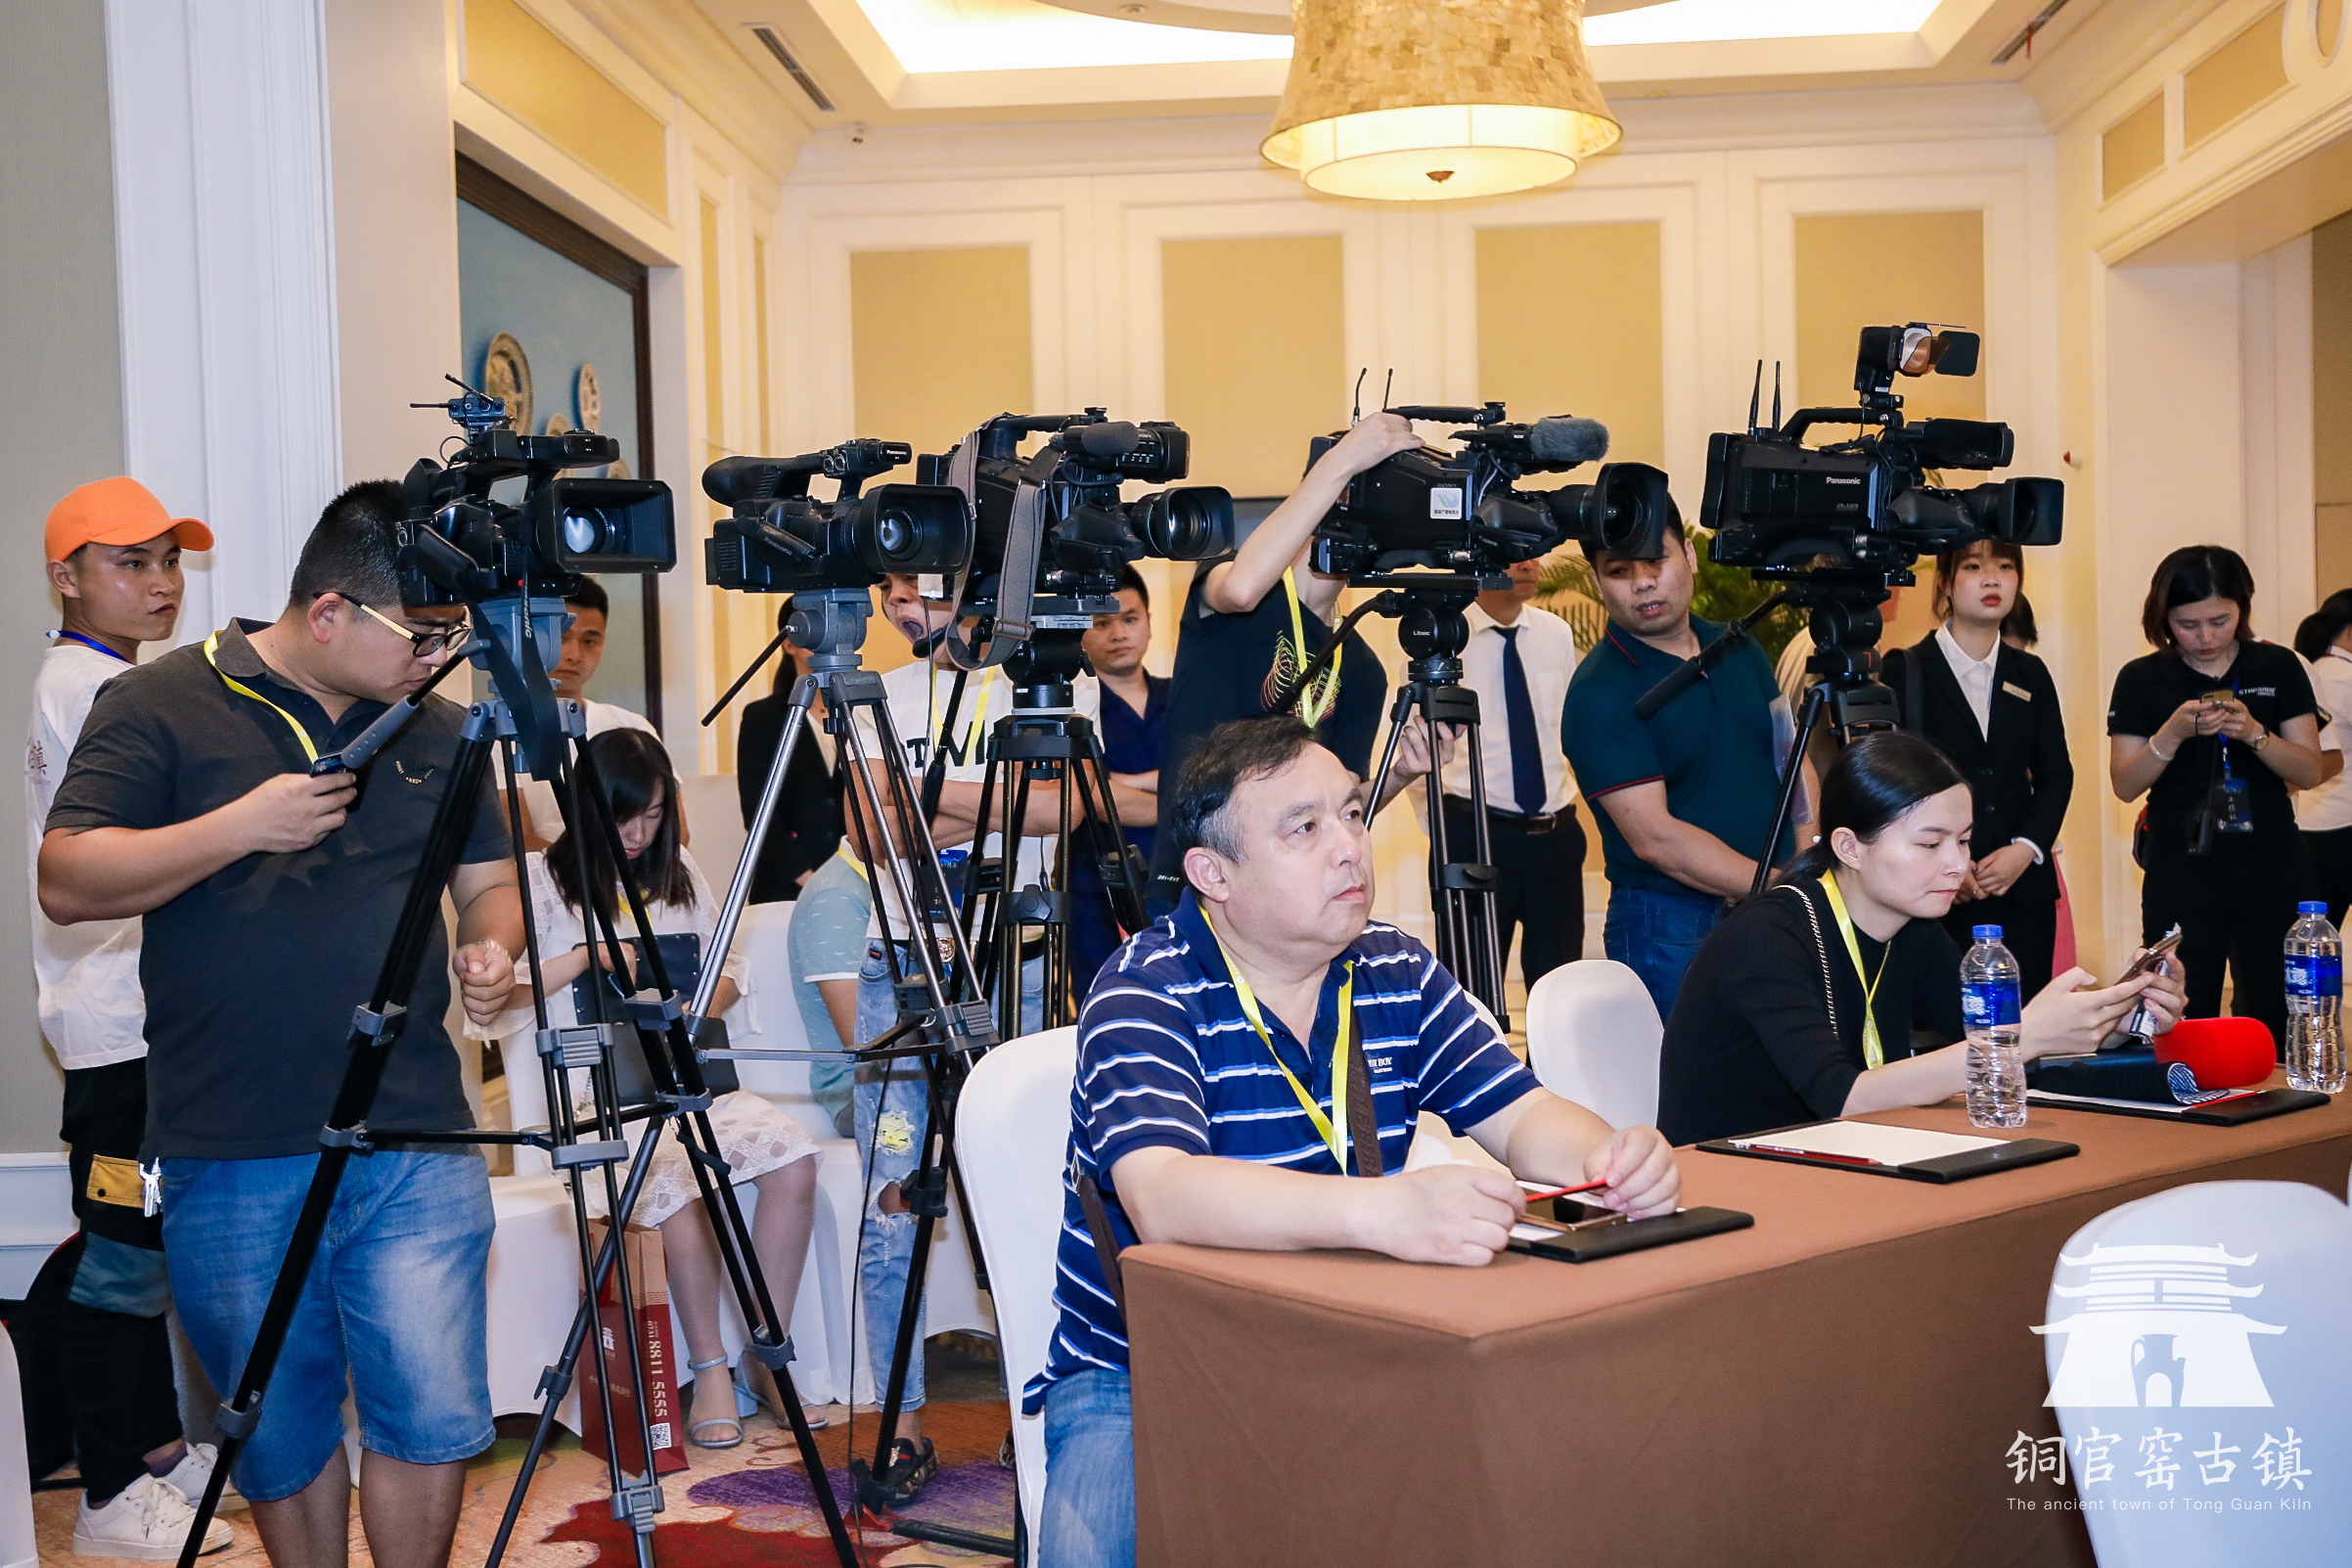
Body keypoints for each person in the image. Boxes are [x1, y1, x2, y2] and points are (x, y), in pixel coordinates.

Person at [1032, 714, 1682, 1567]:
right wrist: (1384, 1211)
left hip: (1358, 1340)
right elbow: (1164, 1195)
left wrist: (1608, 1158)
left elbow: (1523, 1114)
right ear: (1212, 874)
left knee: (1550, 1484)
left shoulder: (1392, 967)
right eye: (1303, 829)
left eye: (1348, 812)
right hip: (1142, 1369)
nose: (1349, 846)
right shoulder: (1145, 988)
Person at [40, 480, 524, 1568]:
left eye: (448, 637)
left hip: (417, 1133)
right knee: (277, 1424)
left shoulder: (443, 730)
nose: (436, 659)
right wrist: (239, 825)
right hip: (232, 1139)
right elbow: (66, 878)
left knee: (429, 1410)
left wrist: (492, 948)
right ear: (330, 613)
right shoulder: (158, 701)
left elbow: (491, 881)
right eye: (420, 635)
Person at [473, 728, 821, 1447]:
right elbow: (502, 1002)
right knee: (679, 1182)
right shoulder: (540, 881)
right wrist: (589, 957)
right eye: (624, 816)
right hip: (596, 1095)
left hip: (687, 1078)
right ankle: (710, 1369)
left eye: (654, 815)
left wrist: (699, 1005)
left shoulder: (678, 868)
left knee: (794, 1161)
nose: (638, 834)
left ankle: (767, 1354)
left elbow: (729, 967)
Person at [27, 478, 236, 1558]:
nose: (159, 584)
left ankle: (156, 1452)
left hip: (137, 1022)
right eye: (129, 562)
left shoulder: (100, 679)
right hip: (118, 1026)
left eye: (168, 561)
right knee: (119, 1260)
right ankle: (108, 1496)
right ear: (64, 577)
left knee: (139, 1247)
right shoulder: (97, 688)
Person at [1657, 734, 2186, 1147]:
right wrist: (2024, 1036)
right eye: (1931, 844)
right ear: (1849, 847)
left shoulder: (1913, 928)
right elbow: (1843, 1098)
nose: (1957, 865)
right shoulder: (1767, 937)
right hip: (1739, 1177)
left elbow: (1994, 1043)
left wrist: (2113, 1019)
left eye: (1964, 840)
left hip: (1847, 1159)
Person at [1150, 414, 1425, 898]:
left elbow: (1342, 805)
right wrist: (1339, 464)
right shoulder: (1231, 587)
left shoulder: (1362, 667)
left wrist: (1401, 772)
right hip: (1199, 880)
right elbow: (1241, 590)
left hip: (1292, 896)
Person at [1563, 504, 1812, 1020]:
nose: (1643, 583)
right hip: (1670, 925)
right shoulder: (1598, 691)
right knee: (1689, 1070)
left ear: (1690, 557)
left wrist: (1808, 856)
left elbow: (1790, 752)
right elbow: (1656, 839)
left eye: (1657, 561)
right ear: (1598, 581)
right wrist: (1779, 885)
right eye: (1619, 571)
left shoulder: (1737, 643)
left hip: (1776, 903)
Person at [2108, 546, 2327, 1049]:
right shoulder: (2141, 678)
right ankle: (2183, 1092)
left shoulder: (2277, 666)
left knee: (2277, 1009)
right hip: (2180, 867)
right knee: (2179, 1011)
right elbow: (2125, 784)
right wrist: (2170, 735)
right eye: (2188, 625)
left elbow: (2311, 770)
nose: (2205, 638)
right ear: (2163, 618)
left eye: (2219, 621)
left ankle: (2274, 1093)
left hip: (2271, 862)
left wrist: (2255, 734)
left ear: (2242, 609)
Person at [1880, 540, 2073, 999]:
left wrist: (2025, 849)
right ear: (1945, 583)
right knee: (1943, 1024)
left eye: (2005, 567)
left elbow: (2056, 774)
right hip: (1935, 894)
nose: (1992, 580)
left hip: (2021, 889)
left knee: (2026, 1024)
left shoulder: (2030, 673)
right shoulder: (1907, 670)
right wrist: (1947, 860)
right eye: (1973, 567)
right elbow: (1894, 782)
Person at [1437, 553, 1587, 985]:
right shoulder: (1447, 638)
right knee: (1472, 986)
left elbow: (1568, 730)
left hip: (1556, 837)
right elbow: (1421, 749)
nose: (1528, 565)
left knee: (1559, 987)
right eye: (1514, 555)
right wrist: (1447, 832)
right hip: (1475, 834)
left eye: (1534, 554)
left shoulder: (1556, 633)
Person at [1070, 564, 1168, 996]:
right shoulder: (1071, 712)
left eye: (1130, 618)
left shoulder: (1182, 698)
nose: (1119, 634)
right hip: (1095, 895)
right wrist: (1173, 794)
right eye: (1101, 623)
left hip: (1184, 884)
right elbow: (1091, 797)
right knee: (1108, 1004)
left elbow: (1213, 783)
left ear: (1149, 622)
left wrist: (1128, 781)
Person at [514, 576, 659, 848]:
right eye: (560, 638)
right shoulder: (500, 730)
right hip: (542, 877)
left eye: (590, 641)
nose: (575, 655)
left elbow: (675, 833)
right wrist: (599, 866)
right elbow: (513, 839)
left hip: (629, 877)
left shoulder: (633, 727)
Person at [736, 596, 845, 903]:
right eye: (815, 629)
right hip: (785, 889)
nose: (826, 639)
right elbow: (758, 813)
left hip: (853, 881)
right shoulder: (762, 718)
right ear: (789, 644)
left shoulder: (858, 713)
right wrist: (810, 880)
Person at [2293, 592, 2352, 925]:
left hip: (2308, 828)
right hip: (2347, 823)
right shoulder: (2347, 677)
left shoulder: (2309, 674)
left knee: (2314, 936)